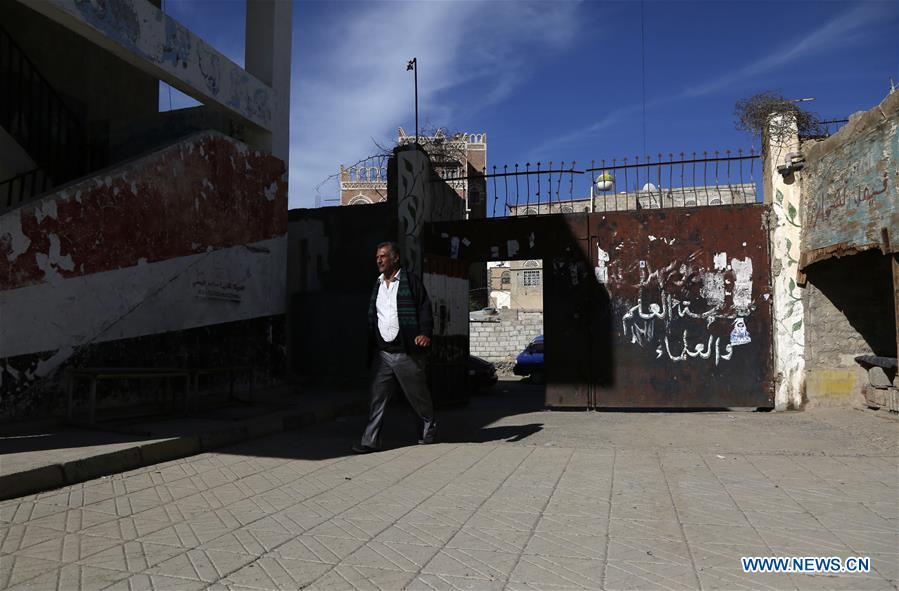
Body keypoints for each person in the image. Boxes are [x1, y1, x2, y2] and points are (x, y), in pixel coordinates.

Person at [353, 241, 437, 453]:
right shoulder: (377, 284)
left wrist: (425, 333)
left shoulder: (411, 281)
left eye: (383, 256)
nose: (379, 260)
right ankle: (370, 440)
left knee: (418, 397)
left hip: (407, 352)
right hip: (384, 353)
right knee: (377, 398)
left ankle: (427, 430)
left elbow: (425, 308)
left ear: (395, 257)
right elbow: (375, 315)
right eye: (377, 257)